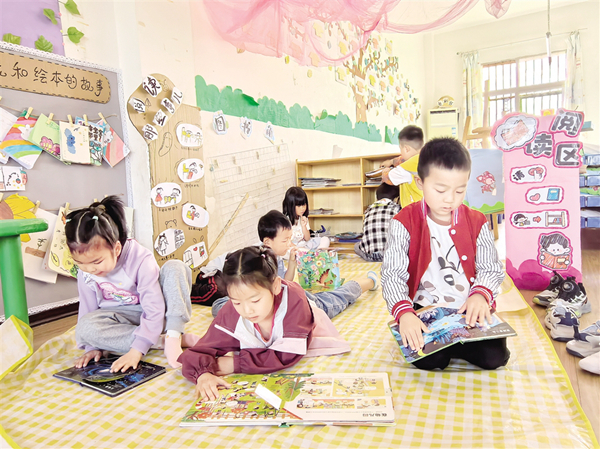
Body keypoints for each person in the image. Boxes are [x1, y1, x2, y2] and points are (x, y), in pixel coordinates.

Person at [381, 138, 509, 371]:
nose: (450, 199)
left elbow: (491, 268)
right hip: (426, 309)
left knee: (494, 358)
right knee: (429, 360)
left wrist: (480, 295)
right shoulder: (403, 222)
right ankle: (448, 343)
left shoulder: (477, 221)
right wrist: (405, 313)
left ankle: (457, 341)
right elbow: (392, 274)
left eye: (460, 190)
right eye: (440, 190)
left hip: (468, 308)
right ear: (420, 183)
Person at [179, 246, 351, 401]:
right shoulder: (232, 311)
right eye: (237, 302)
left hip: (308, 307)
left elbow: (285, 355)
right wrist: (202, 374)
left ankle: (362, 283)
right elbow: (198, 351)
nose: (247, 311)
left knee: (339, 298)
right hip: (274, 301)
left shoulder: (294, 302)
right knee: (220, 308)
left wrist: (235, 363)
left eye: (255, 300)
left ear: (275, 286)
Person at [65, 196, 199, 371]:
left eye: (96, 262)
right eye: (80, 263)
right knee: (84, 329)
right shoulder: (86, 272)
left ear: (116, 249)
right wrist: (93, 346)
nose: (89, 269)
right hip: (121, 318)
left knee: (176, 267)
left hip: (157, 312)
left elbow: (154, 307)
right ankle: (158, 341)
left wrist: (137, 351)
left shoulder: (140, 259)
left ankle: (173, 336)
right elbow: (87, 310)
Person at [210, 210, 378, 318]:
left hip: (292, 299)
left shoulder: (276, 260)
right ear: (267, 242)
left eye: (290, 239)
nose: (289, 244)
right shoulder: (256, 259)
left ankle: (370, 281)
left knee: (334, 299)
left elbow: (285, 284)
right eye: (285, 240)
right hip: (277, 302)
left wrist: (292, 264)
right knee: (219, 307)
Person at [354, 183, 401, 262]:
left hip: (370, 256)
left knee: (356, 246)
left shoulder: (368, 210)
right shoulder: (397, 209)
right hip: (392, 255)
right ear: (396, 199)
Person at [380, 125, 425, 207]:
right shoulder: (429, 158)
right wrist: (391, 161)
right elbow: (404, 159)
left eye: (400, 148)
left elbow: (387, 177)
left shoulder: (405, 169)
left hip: (414, 210)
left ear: (406, 149)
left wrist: (385, 170)